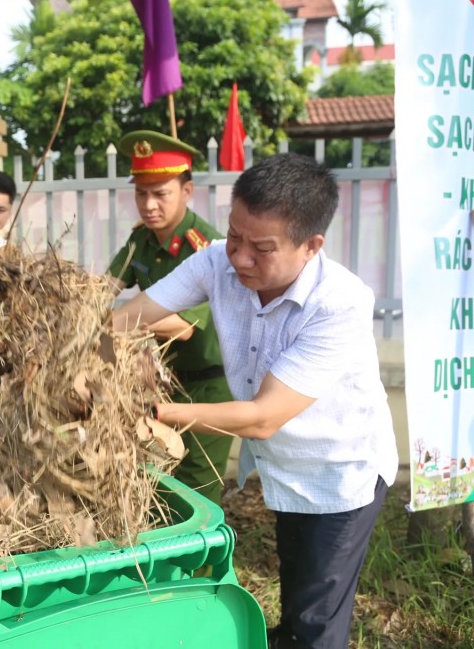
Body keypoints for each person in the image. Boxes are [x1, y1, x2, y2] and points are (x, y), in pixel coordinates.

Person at [113, 153, 397, 649]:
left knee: (317, 617)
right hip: (283, 465)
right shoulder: (216, 260)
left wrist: (150, 414)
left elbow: (262, 417)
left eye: (262, 248)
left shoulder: (339, 302)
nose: (240, 258)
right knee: (297, 587)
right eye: (234, 237)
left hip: (339, 470)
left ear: (311, 246)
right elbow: (133, 314)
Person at [107, 130, 233, 506]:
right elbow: (103, 288)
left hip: (211, 385)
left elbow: (183, 326)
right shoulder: (141, 240)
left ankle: (207, 548)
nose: (149, 205)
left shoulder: (207, 247)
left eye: (160, 193)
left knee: (198, 486)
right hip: (165, 380)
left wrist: (112, 324)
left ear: (187, 191)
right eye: (141, 193)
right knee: (164, 479)